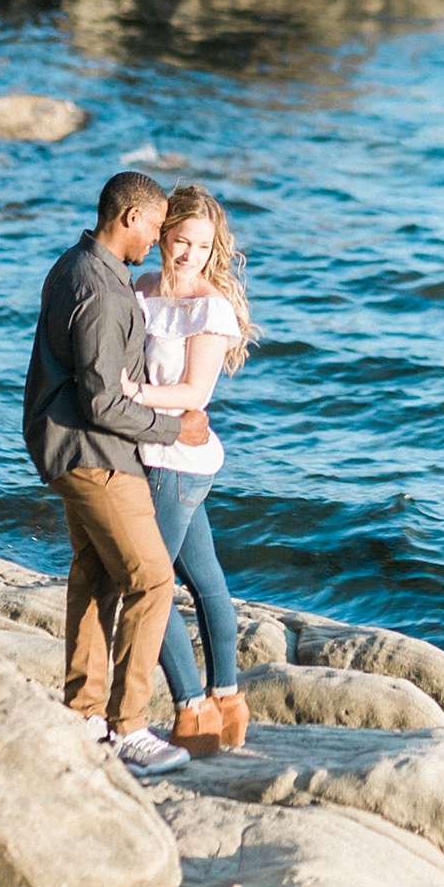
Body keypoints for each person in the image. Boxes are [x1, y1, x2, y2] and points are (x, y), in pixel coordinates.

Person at [23, 171, 210, 776]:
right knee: (153, 580)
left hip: (67, 444)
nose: (158, 238)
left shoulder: (75, 264)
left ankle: (83, 712)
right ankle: (129, 729)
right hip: (94, 453)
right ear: (129, 217)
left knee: (96, 574)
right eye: (156, 226)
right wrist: (174, 429)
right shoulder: (102, 291)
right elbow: (104, 403)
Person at [122, 184, 261, 757]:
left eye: (203, 247)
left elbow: (193, 394)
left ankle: (191, 709)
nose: (190, 255)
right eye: (182, 242)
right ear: (162, 236)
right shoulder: (142, 289)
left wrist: (128, 393)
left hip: (175, 462)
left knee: (146, 586)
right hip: (155, 455)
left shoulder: (210, 307)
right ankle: (227, 701)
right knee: (203, 581)